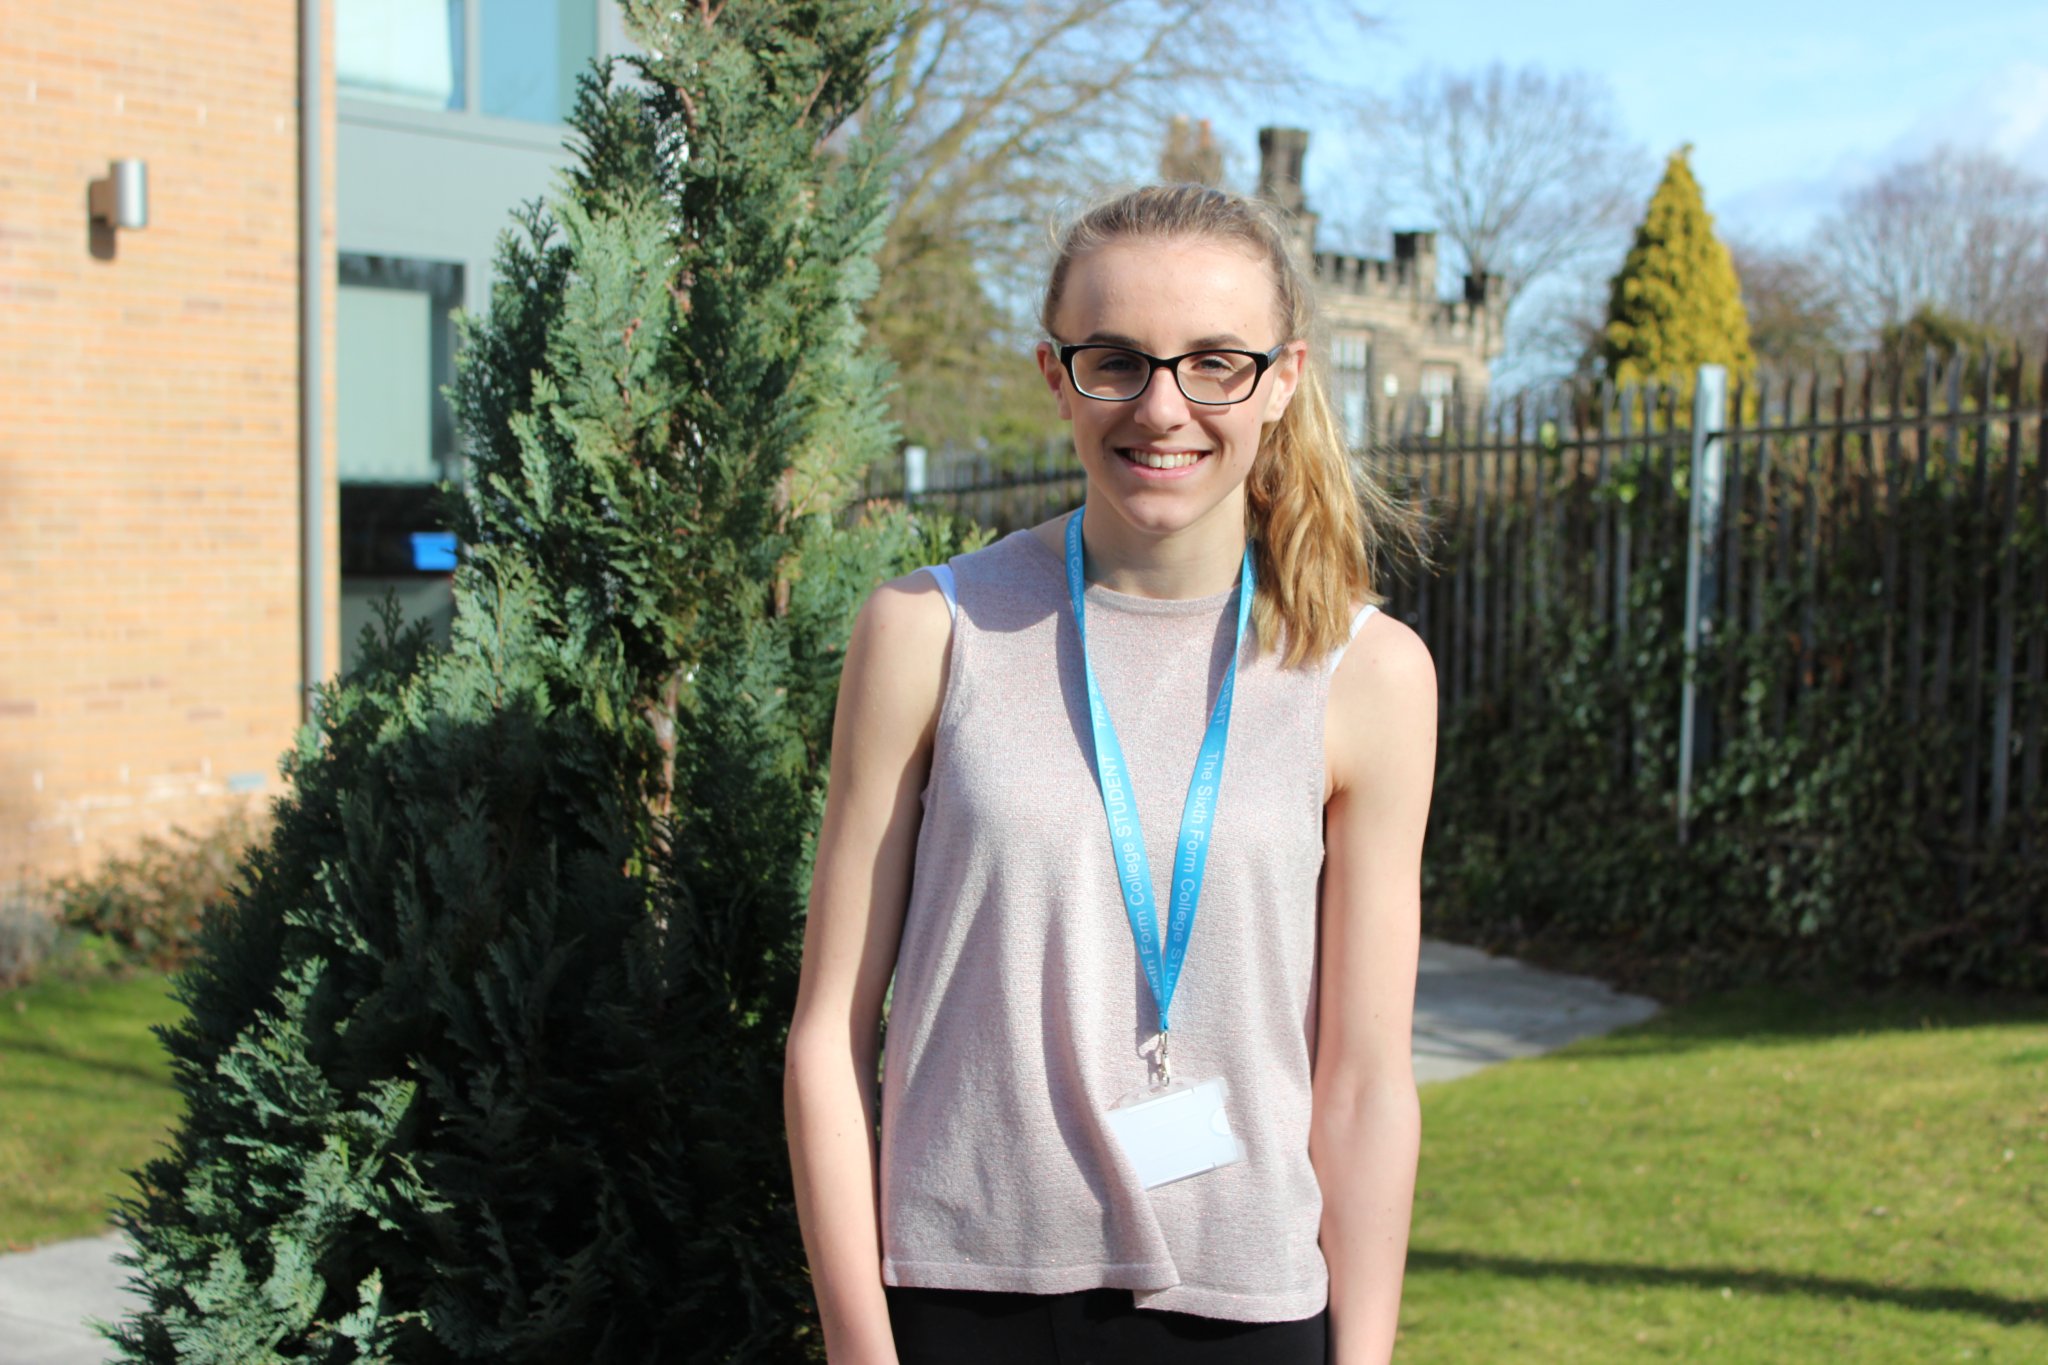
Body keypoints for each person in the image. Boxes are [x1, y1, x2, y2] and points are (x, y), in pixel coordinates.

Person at [784, 183, 1436, 1365]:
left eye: (1212, 364)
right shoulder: (928, 630)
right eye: (1116, 361)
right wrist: (857, 1350)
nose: (1163, 406)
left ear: (1281, 379)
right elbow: (827, 1036)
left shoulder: (1368, 672)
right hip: (961, 1299)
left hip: (1248, 1308)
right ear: (1054, 373)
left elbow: (1366, 1082)